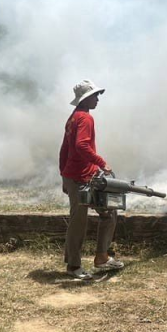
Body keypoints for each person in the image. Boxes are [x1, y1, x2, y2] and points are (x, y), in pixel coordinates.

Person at [59, 79, 125, 279]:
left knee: (108, 212)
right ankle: (74, 266)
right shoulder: (85, 119)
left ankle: (102, 257)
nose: (98, 99)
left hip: (76, 176)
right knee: (80, 221)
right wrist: (101, 162)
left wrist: (64, 175)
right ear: (86, 99)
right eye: (95, 96)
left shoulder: (73, 117)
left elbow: (65, 150)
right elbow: (81, 146)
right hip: (81, 177)